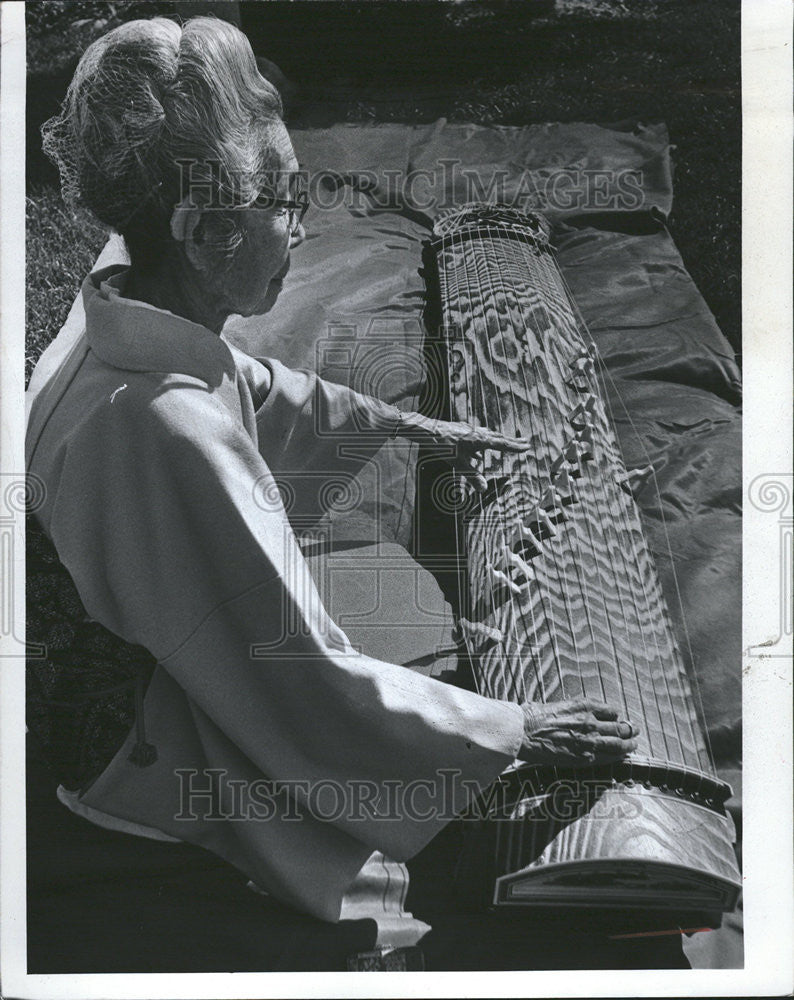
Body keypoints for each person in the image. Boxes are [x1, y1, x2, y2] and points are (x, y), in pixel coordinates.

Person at [26, 16, 637, 946]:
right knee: (434, 860)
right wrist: (510, 733)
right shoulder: (163, 431)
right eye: (280, 201)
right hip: (143, 740)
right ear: (199, 231)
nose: (304, 226)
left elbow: (263, 390)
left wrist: (420, 427)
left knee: (390, 618)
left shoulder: (119, 290)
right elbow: (305, 685)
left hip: (168, 624)